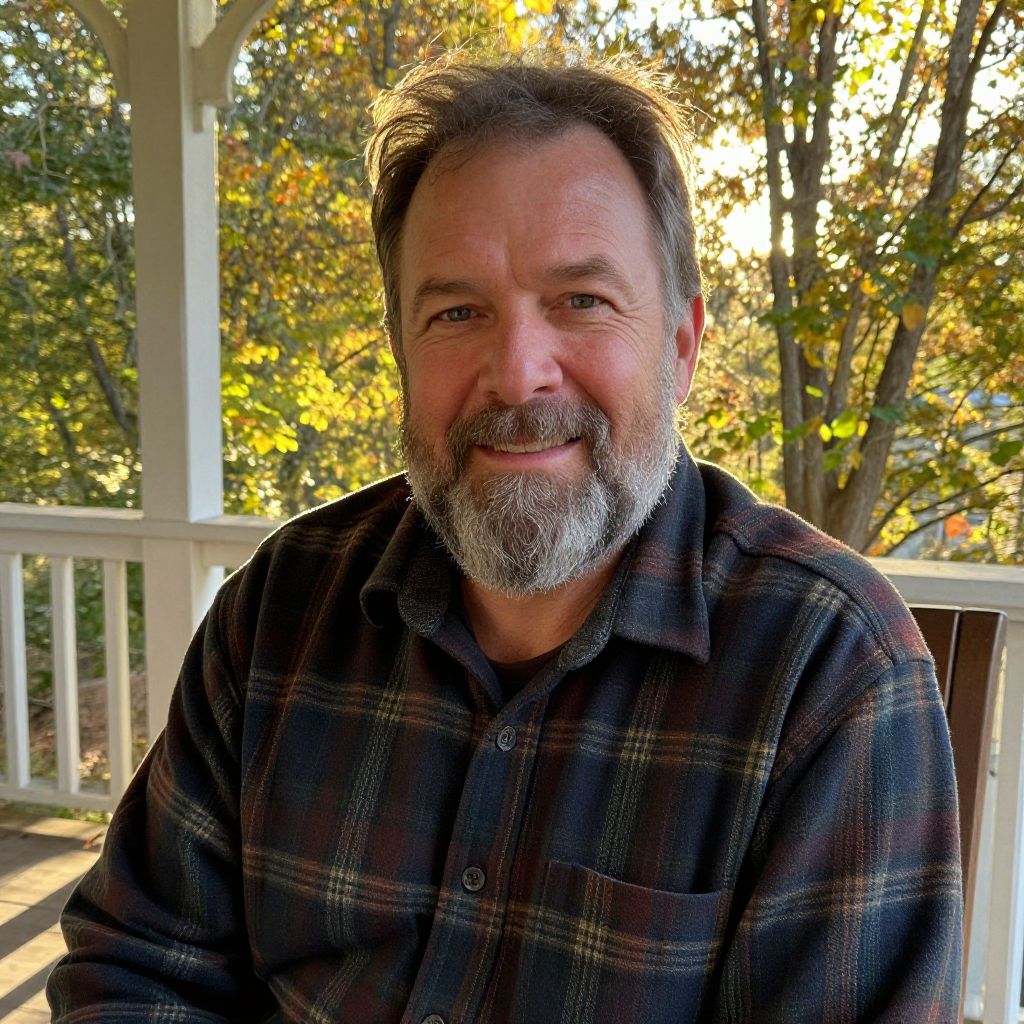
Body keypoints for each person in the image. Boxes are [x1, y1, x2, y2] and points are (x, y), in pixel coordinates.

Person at [48, 51, 963, 1023]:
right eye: (456, 312)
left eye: (582, 301)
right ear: (402, 355)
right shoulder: (283, 606)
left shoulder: (828, 670)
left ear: (682, 346)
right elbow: (136, 964)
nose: (518, 371)